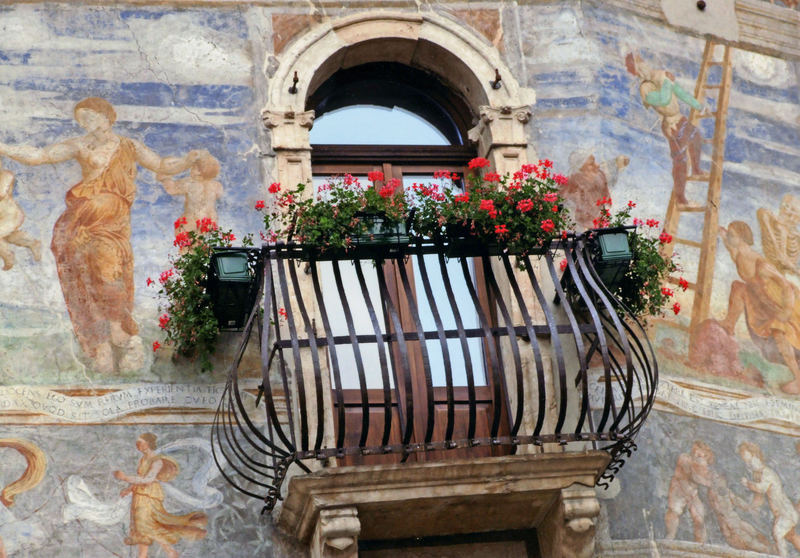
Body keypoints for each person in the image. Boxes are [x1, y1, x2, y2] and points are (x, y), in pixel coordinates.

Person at [0, 97, 201, 373]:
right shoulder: (80, 146)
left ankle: (120, 332)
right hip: (80, 222)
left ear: (107, 116)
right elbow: (40, 155)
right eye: (82, 119)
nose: (86, 123)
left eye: (91, 116)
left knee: (108, 272)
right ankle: (100, 345)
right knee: (83, 277)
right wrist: (3, 147)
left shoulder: (129, 146)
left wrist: (187, 161)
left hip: (112, 224)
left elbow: (162, 165)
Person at [719, 221, 800, 394]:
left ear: (741, 238)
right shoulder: (738, 254)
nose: (730, 237)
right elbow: (727, 242)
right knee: (738, 287)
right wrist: (722, 232)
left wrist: (786, 311)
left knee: (780, 331)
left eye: (733, 234)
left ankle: (798, 379)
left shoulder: (762, 265)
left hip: (781, 304)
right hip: (760, 301)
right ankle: (728, 325)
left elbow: (786, 286)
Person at [625, 53, 706, 207]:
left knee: (695, 136)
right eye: (639, 62)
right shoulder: (645, 88)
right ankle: (681, 198)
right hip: (671, 126)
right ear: (636, 70)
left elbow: (680, 93)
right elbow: (664, 99)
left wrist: (698, 106)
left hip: (679, 118)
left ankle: (696, 169)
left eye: (642, 60)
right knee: (680, 161)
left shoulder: (659, 75)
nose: (643, 64)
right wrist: (667, 81)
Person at [113, 433, 207, 558]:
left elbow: (148, 479)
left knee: (145, 525)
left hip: (150, 495)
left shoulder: (157, 461)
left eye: (140, 442)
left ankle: (169, 551)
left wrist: (125, 478)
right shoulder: (143, 459)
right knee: (141, 527)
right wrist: (129, 489)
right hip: (139, 495)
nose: (138, 445)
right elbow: (141, 477)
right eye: (137, 443)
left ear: (148, 443)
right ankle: (147, 554)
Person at [737, 441, 800, 557]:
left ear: (755, 455)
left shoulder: (767, 473)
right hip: (780, 514)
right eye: (746, 461)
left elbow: (762, 489)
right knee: (790, 536)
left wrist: (748, 484)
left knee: (778, 534)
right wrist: (749, 507)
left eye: (749, 459)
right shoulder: (758, 474)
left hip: (786, 512)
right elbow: (759, 498)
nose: (748, 464)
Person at [157, 150, 223, 235]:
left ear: (199, 171)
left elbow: (171, 190)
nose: (190, 169)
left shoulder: (190, 183)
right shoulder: (217, 185)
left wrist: (164, 178)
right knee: (202, 243)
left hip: (193, 221)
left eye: (193, 167)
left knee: (185, 239)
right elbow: (219, 195)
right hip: (210, 221)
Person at [562, 150, 629, 230]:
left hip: (598, 227)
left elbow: (609, 171)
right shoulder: (570, 183)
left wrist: (618, 162)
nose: (597, 166)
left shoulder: (600, 176)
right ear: (579, 169)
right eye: (591, 164)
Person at [665, 441, 714, 542]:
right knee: (674, 511)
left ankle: (700, 543)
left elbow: (705, 476)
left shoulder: (703, 464)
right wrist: (707, 482)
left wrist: (707, 479)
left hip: (692, 492)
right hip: (678, 489)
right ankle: (670, 536)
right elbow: (692, 475)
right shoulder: (685, 458)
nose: (698, 454)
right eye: (696, 451)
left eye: (702, 453)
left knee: (699, 517)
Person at [0, 160, 41, 270]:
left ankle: (8, 257)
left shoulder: (6, 175)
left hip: (10, 216)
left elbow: (1, 193)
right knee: (9, 236)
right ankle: (33, 243)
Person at [757, 194, 800, 277]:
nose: (793, 220)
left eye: (797, 218)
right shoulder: (777, 225)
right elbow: (782, 258)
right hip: (775, 272)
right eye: (790, 215)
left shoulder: (796, 236)